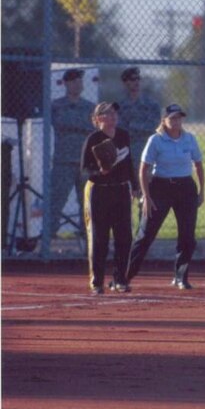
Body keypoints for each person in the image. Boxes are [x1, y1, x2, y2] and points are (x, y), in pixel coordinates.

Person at [126, 104, 204, 290]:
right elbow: (144, 169)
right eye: (172, 118)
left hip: (185, 187)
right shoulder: (156, 140)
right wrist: (147, 196)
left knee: (187, 235)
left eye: (179, 117)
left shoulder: (189, 139)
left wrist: (201, 192)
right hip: (160, 187)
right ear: (164, 120)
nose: (176, 121)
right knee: (145, 234)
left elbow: (198, 165)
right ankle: (124, 276)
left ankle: (181, 276)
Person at [80, 102, 138, 295]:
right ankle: (97, 281)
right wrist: (100, 171)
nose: (113, 116)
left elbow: (129, 162)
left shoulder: (123, 135)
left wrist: (135, 186)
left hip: (121, 190)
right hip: (99, 191)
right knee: (99, 237)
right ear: (97, 119)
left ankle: (120, 280)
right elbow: (85, 168)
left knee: (124, 237)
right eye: (107, 113)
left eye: (114, 112)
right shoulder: (93, 139)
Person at [50, 68, 94, 237]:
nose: (78, 84)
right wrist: (79, 125)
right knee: (56, 201)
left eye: (80, 81)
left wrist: (72, 124)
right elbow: (59, 123)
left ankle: (87, 234)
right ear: (66, 83)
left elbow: (92, 127)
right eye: (74, 81)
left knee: (87, 201)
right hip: (63, 161)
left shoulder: (90, 107)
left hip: (85, 162)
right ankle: (50, 235)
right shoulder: (56, 106)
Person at [117, 67, 161, 171]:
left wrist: (132, 125)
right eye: (132, 79)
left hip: (147, 149)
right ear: (125, 83)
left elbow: (153, 126)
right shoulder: (120, 106)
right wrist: (140, 127)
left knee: (147, 183)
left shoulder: (151, 105)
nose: (136, 82)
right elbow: (121, 129)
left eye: (138, 79)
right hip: (126, 152)